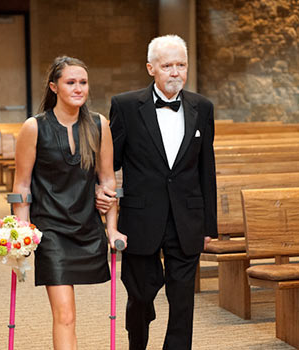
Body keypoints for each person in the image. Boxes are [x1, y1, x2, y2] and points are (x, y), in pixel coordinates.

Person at [97, 34, 218, 350]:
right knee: (140, 296)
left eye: (181, 65)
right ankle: (137, 343)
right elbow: (111, 162)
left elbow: (207, 169)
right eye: (167, 65)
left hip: (186, 218)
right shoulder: (125, 106)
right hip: (141, 218)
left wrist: (209, 225)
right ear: (151, 68)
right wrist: (99, 194)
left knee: (182, 302)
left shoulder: (202, 108)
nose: (175, 72)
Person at [12, 56, 127, 350]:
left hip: (87, 227)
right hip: (50, 231)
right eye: (71, 82)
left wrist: (111, 229)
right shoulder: (33, 128)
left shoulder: (99, 125)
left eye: (83, 82)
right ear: (54, 87)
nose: (79, 88)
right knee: (65, 314)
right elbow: (22, 186)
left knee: (70, 315)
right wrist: (22, 232)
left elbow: (108, 181)